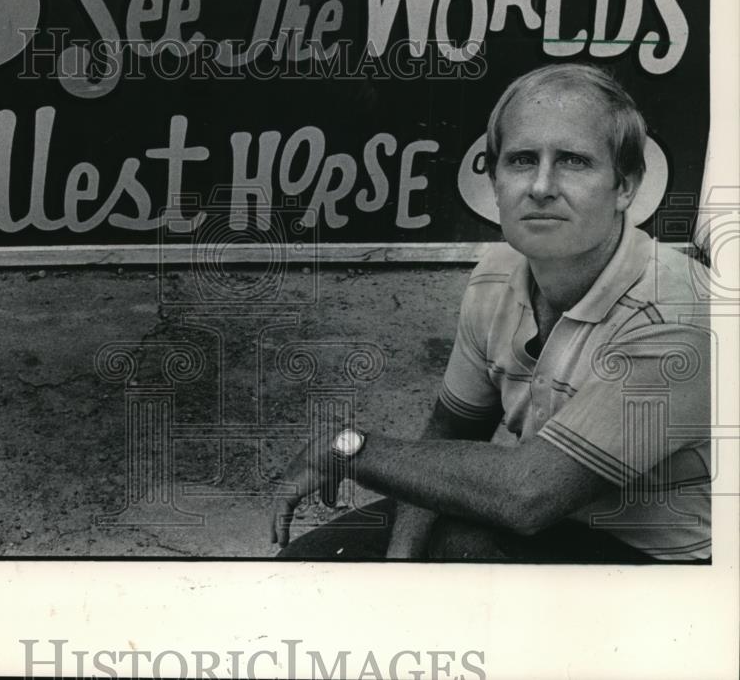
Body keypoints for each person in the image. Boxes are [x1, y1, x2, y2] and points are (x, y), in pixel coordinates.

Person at [271, 63, 711, 562]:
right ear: (495, 180)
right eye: (522, 160)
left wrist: (349, 449)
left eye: (573, 161)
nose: (542, 186)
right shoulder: (497, 273)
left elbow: (528, 496)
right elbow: (451, 434)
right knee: (308, 568)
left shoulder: (679, 316)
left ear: (625, 186)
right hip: (543, 524)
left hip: (665, 574)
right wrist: (401, 564)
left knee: (464, 549)